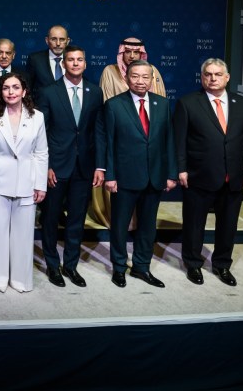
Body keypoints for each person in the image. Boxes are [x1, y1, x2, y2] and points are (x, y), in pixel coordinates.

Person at [175, 58, 243, 287]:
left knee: (228, 224)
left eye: (217, 74)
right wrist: (181, 169)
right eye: (208, 74)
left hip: (232, 176)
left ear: (227, 77)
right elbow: (179, 141)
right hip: (199, 175)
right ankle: (193, 264)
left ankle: (222, 265)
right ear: (202, 77)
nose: (213, 78)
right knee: (194, 224)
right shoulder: (188, 103)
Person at [96, 60, 177, 288]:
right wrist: (109, 175)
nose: (140, 81)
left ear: (152, 79)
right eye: (135, 76)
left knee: (148, 226)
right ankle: (119, 268)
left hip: (154, 176)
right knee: (120, 225)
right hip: (123, 178)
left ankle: (142, 267)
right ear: (127, 78)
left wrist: (171, 173)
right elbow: (108, 142)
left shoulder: (162, 104)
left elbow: (168, 141)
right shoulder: (113, 105)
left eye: (145, 77)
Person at [35, 45, 104, 287]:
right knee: (51, 218)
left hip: (84, 167)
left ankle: (71, 266)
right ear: (63, 63)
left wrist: (100, 166)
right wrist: (46, 165)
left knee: (77, 219)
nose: (75, 63)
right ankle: (53, 265)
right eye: (71, 60)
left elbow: (98, 131)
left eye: (80, 60)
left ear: (85, 64)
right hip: (56, 165)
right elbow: (40, 131)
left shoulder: (95, 92)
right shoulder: (48, 92)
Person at [0, 72, 48, 292]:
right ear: (1, 92)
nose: (11, 92)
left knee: (23, 234)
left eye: (16, 87)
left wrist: (40, 184)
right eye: (6, 88)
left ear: (24, 91)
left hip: (27, 182)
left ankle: (20, 279)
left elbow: (41, 153)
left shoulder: (37, 117)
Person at [91, 36, 167, 227]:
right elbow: (107, 104)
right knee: (120, 213)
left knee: (147, 214)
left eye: (136, 52)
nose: (132, 56)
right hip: (120, 141)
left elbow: (160, 105)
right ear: (121, 52)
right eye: (128, 52)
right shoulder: (110, 71)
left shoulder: (153, 71)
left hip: (148, 142)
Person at [26, 25, 69, 92]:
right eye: (54, 39)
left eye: (62, 39)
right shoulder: (35, 59)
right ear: (47, 40)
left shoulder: (73, 60)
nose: (58, 43)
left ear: (68, 41)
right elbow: (28, 87)